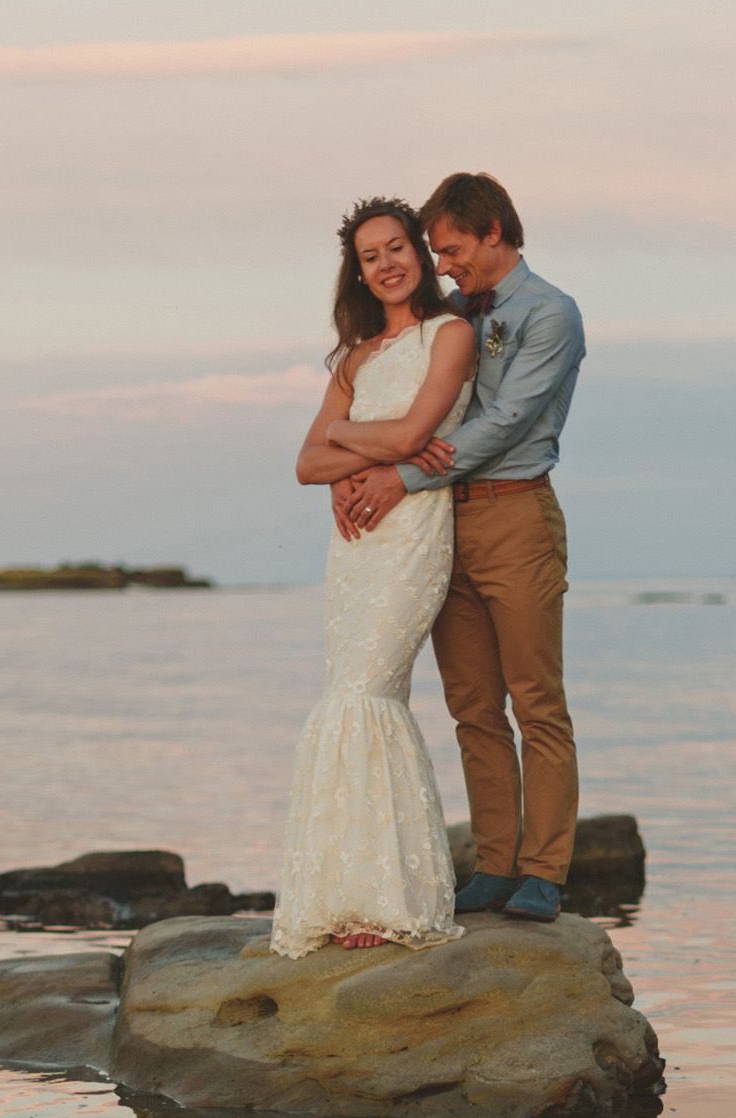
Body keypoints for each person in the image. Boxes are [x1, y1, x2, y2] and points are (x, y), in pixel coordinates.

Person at [341, 173, 585, 925]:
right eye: (437, 253)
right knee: (473, 705)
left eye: (450, 251)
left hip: (515, 516)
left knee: (535, 700)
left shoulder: (549, 313)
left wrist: (399, 474)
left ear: (492, 232)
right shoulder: (453, 319)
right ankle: (496, 862)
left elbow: (507, 420)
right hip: (443, 523)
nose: (442, 265)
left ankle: (545, 870)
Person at [270, 197, 477, 959]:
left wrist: (345, 434)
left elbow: (415, 434)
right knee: (346, 694)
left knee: (369, 692)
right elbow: (305, 464)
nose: (386, 264)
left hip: (413, 534)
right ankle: (341, 894)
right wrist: (360, 446)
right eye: (369, 256)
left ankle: (387, 901)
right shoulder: (355, 358)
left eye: (397, 247)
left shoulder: (450, 335)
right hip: (355, 546)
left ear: (420, 254)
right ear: (357, 272)